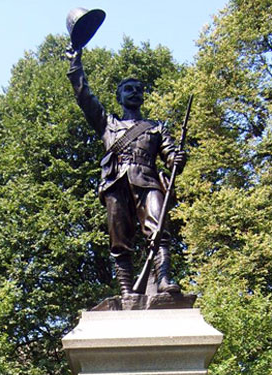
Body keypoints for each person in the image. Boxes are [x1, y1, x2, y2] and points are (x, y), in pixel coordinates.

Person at [66, 45, 185, 297]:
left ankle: (163, 281)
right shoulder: (108, 124)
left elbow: (170, 155)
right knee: (119, 240)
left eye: (139, 89)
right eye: (128, 89)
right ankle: (126, 290)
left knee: (159, 229)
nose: (134, 93)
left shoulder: (155, 128)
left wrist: (177, 159)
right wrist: (75, 64)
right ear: (118, 96)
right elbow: (84, 97)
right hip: (116, 185)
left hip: (148, 182)